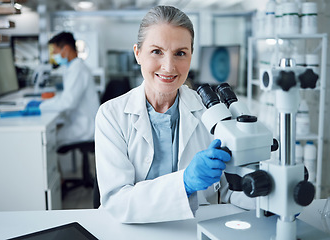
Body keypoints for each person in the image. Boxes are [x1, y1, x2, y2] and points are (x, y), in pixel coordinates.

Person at [95, 6, 254, 224]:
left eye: (180, 53)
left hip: (194, 228)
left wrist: (272, 195)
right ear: (137, 53)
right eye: (156, 51)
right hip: (129, 231)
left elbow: (230, 190)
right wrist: (185, 183)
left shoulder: (211, 112)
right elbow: (117, 201)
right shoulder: (111, 115)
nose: (169, 67)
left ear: (191, 56)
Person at [40, 32, 100, 146]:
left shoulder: (78, 69)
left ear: (66, 49)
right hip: (79, 122)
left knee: (46, 139)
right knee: (50, 134)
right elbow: (66, 98)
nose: (53, 54)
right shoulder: (73, 68)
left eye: (55, 51)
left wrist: (40, 107)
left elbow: (67, 103)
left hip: (85, 127)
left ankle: (55, 164)